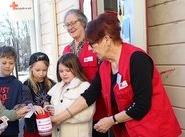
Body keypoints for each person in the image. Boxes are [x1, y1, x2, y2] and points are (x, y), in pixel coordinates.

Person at [51, 13, 182, 137]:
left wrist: (111, 120)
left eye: (91, 43)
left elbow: (142, 105)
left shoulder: (137, 59)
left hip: (153, 130)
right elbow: (89, 96)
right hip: (128, 131)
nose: (89, 49)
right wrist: (59, 118)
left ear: (107, 39)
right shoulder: (105, 66)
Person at [62, 9, 108, 137]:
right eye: (67, 25)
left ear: (83, 22)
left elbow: (104, 76)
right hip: (74, 110)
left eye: (73, 23)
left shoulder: (94, 45)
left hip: (97, 109)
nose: (70, 27)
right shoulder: (66, 50)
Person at [46, 53, 95, 137]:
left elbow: (87, 114)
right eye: (61, 71)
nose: (64, 74)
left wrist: (57, 112)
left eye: (68, 70)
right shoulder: (57, 87)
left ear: (76, 68)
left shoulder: (84, 86)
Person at [0, 46, 23, 137]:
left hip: (11, 129)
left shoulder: (17, 84)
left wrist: (19, 108)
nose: (7, 66)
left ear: (14, 63)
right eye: (4, 63)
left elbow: (19, 105)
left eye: (11, 63)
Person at [22, 52, 56, 137]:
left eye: (44, 70)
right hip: (32, 128)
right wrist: (33, 106)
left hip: (48, 126)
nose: (41, 73)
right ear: (31, 68)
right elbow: (25, 99)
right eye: (38, 70)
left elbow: (57, 100)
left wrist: (50, 105)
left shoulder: (52, 84)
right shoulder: (26, 84)